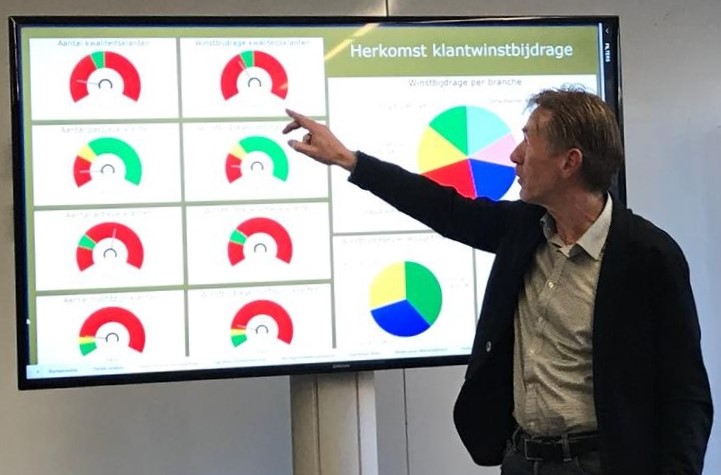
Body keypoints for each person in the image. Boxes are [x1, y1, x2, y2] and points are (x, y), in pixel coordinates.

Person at [282, 88, 713, 474]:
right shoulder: (525, 229)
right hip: (522, 458)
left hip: (600, 463)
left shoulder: (648, 255)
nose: (514, 156)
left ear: (570, 162)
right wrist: (350, 160)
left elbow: (686, 393)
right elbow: (445, 209)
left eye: (529, 140)